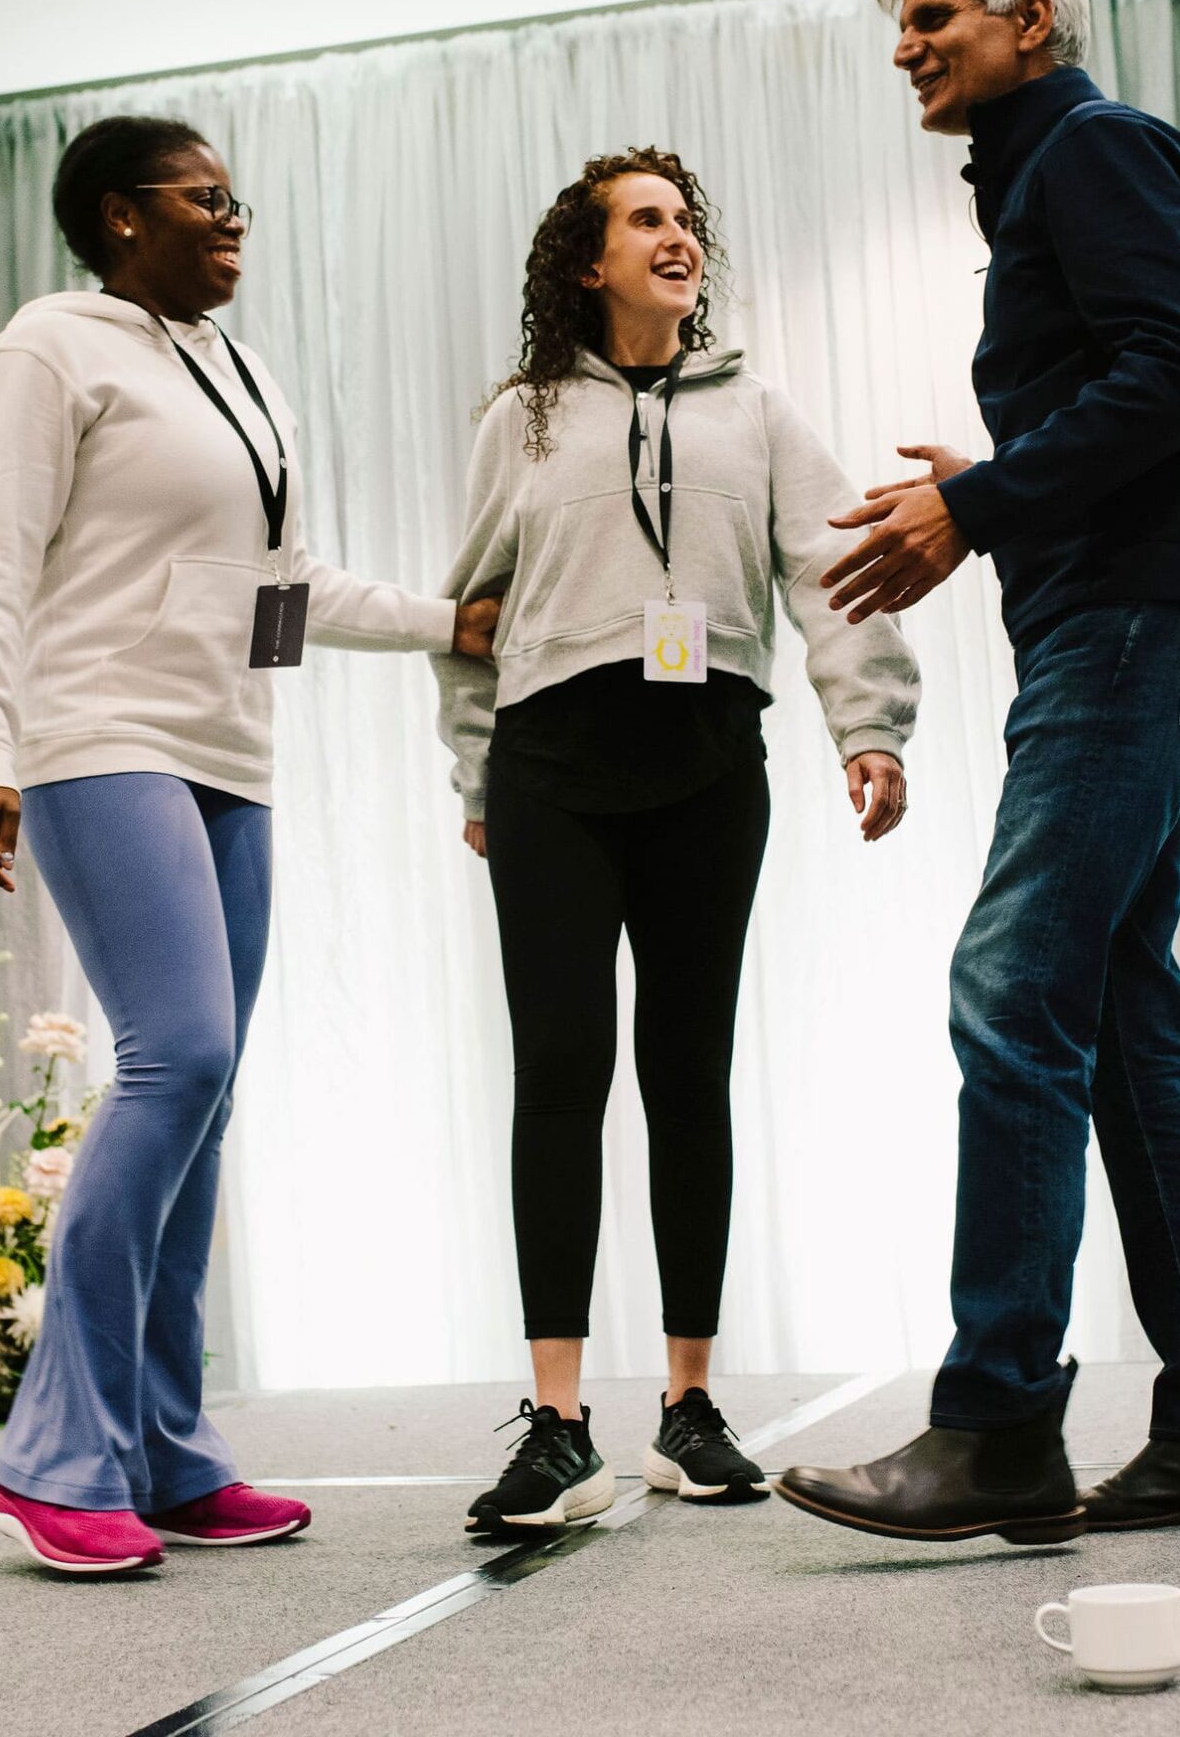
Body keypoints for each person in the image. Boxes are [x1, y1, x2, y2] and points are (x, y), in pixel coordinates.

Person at [777, 0, 1180, 1544]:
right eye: (902, 25)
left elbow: (1178, 372)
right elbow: (1131, 393)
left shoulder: (1095, 148)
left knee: (1012, 989)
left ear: (1030, 18)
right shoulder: (1044, 180)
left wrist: (980, 503)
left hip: (1139, 636)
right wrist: (997, 481)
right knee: (1128, 1036)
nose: (905, 48)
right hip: (1120, 622)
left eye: (932, 18)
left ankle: (999, 1424)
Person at [0, 113, 498, 1578]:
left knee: (206, 1098)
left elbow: (274, 588)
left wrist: (448, 623)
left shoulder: (238, 373)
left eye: (238, 198)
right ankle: (54, 1458)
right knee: (172, 1059)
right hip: (97, 736)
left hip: (228, 755)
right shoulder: (49, 349)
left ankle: (167, 1450)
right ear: (123, 217)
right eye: (207, 199)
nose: (236, 219)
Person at [436, 147, 919, 1537]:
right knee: (563, 1072)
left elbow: (836, 570)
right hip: (550, 773)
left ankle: (689, 1409)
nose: (678, 234)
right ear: (588, 262)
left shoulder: (756, 410)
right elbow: (470, 609)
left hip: (712, 766)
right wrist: (473, 769)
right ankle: (557, 1423)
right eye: (646, 219)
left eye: (687, 217)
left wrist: (867, 726)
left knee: (688, 1073)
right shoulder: (521, 419)